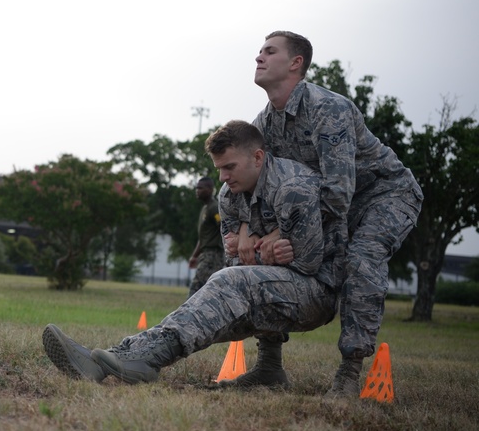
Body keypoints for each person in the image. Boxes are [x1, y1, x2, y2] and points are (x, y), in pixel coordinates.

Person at [43, 120, 342, 386]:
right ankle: (108, 360)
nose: (223, 178)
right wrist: (267, 249)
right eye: (219, 169)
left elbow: (306, 261)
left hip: (316, 294)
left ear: (258, 158)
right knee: (205, 310)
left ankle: (144, 360)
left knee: (228, 284)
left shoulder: (293, 188)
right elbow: (237, 260)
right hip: (272, 292)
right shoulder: (230, 195)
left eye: (230, 167)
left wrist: (261, 249)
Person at [238, 30, 423, 396]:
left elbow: (338, 194)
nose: (258, 57)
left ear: (296, 64)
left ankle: (349, 374)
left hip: (382, 194)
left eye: (269, 51)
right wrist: (248, 230)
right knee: (266, 255)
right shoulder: (263, 125)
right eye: (258, 51)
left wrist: (279, 234)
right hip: (328, 206)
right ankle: (269, 366)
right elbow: (250, 186)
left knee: (361, 258)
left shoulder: (328, 108)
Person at [187, 176, 224, 296]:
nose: (197, 190)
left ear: (209, 189)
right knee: (203, 290)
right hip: (205, 254)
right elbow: (203, 238)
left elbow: (223, 228)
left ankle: (189, 314)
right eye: (196, 188)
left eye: (200, 188)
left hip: (213, 255)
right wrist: (194, 256)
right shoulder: (205, 208)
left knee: (196, 288)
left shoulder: (214, 208)